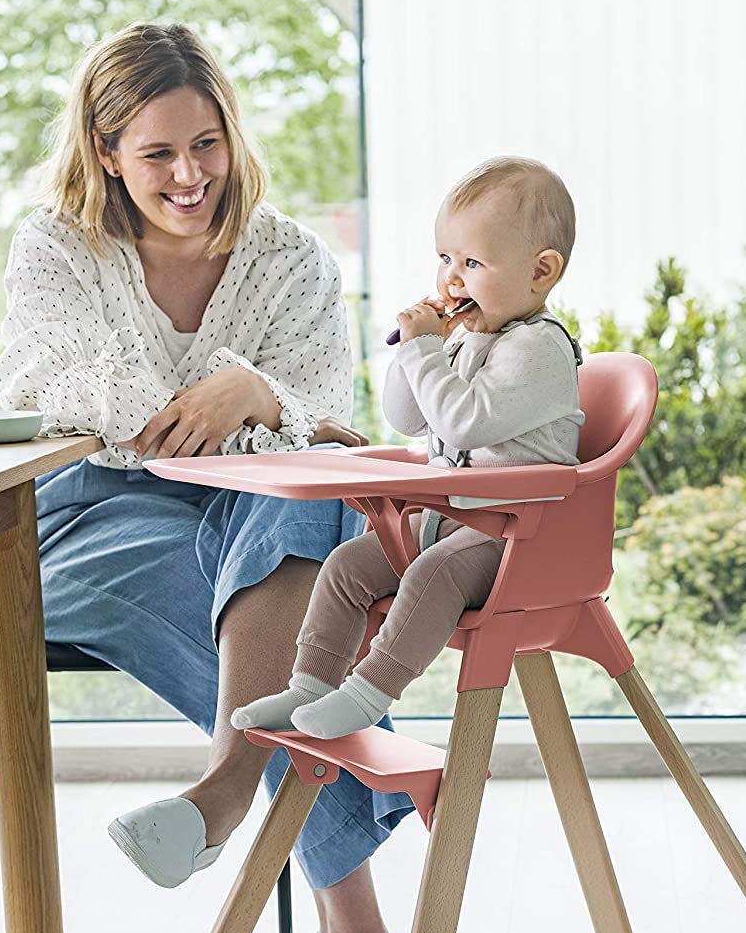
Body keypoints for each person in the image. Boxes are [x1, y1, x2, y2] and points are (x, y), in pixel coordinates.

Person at [0, 21, 494, 933]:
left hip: (252, 505)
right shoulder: (55, 245)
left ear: (231, 133)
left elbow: (324, 415)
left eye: (206, 144)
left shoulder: (290, 257)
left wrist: (257, 389)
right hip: (94, 508)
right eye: (157, 153)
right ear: (104, 152)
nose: (189, 175)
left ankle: (221, 799)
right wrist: (204, 396)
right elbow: (41, 379)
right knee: (271, 627)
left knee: (295, 511)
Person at [233, 156, 584, 740]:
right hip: (459, 517)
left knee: (432, 574)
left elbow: (466, 423)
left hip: (524, 533)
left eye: (473, 263)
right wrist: (416, 351)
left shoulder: (538, 348)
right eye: (445, 259)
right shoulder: (472, 338)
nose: (451, 278)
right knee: (348, 565)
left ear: (541, 272)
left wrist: (424, 352)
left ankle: (370, 693)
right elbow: (408, 418)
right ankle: (311, 685)